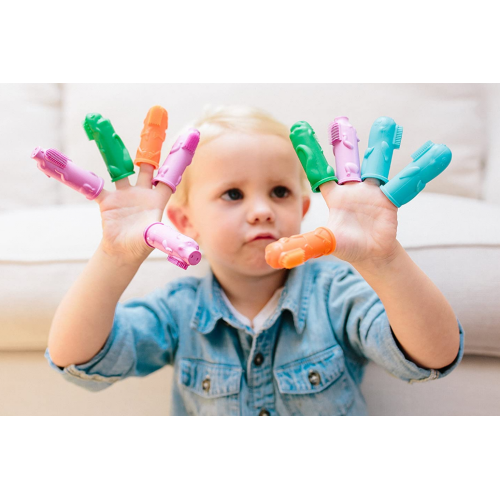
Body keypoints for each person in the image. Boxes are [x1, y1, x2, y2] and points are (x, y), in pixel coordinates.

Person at [46, 105, 464, 416]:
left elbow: (433, 356)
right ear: (185, 221)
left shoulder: (334, 294)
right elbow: (77, 359)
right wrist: (114, 257)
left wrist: (384, 260)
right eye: (233, 194)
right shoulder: (178, 310)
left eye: (279, 192)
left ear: (303, 209)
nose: (262, 210)